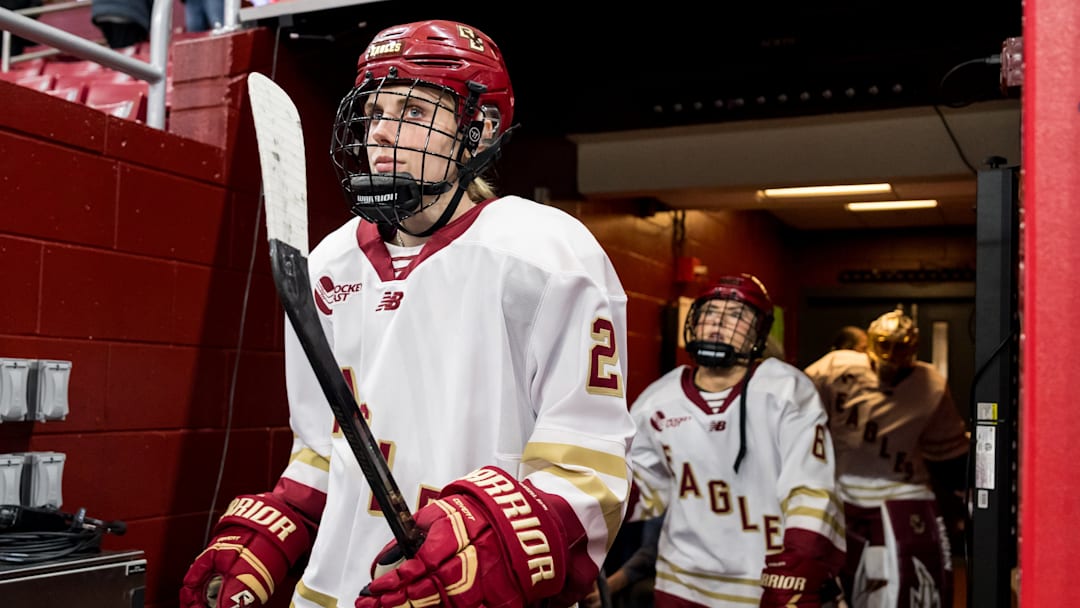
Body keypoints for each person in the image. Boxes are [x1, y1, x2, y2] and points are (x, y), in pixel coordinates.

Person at [180, 20, 635, 608]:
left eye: (415, 114)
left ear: (480, 131)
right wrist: (284, 520)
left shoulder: (548, 255)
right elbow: (325, 447)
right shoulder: (327, 264)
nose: (383, 135)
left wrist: (491, 549)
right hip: (333, 593)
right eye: (375, 112)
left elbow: (590, 474)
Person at [626, 274, 846, 607]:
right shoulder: (656, 400)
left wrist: (800, 562)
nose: (718, 325)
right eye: (710, 313)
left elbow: (811, 489)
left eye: (735, 316)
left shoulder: (786, 390)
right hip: (681, 579)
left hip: (766, 577)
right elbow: (646, 489)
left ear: (759, 331)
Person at [803, 308, 969, 608]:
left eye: (900, 348)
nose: (891, 357)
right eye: (885, 346)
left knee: (906, 587)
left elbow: (949, 452)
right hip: (838, 490)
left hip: (903, 494)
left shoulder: (930, 382)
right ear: (868, 343)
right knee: (829, 584)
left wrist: (965, 496)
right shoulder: (834, 366)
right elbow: (795, 407)